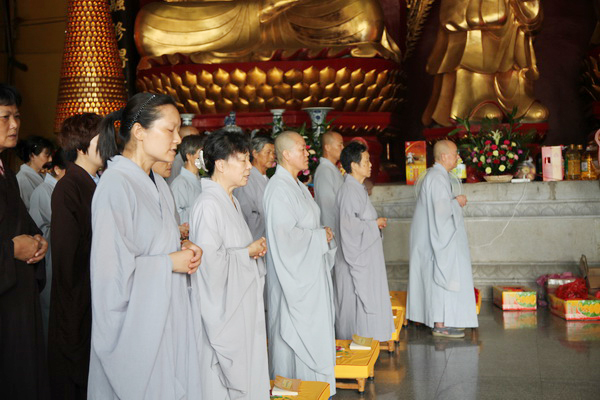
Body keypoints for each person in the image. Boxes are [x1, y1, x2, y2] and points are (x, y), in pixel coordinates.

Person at [88, 93, 203, 399]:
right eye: (170, 130)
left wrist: (183, 246)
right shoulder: (115, 186)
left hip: (168, 315)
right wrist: (169, 263)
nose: (178, 139)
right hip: (139, 330)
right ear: (139, 132)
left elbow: (153, 244)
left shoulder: (158, 183)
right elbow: (110, 277)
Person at [189, 129, 270, 399]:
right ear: (221, 164)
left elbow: (229, 252)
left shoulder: (230, 200)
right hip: (225, 312)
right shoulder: (208, 205)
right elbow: (209, 266)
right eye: (243, 161)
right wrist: (245, 252)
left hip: (242, 306)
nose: (250, 167)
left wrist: (248, 252)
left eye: (249, 160)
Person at [263, 131, 337, 394]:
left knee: (316, 332)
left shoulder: (299, 186)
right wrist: (318, 237)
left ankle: (318, 389)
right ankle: (299, 391)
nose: (308, 154)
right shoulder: (278, 189)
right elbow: (285, 240)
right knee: (293, 340)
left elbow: (305, 227)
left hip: (310, 275)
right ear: (286, 154)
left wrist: (321, 234)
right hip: (293, 280)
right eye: (302, 150)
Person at [47, 113, 103, 399]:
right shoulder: (69, 187)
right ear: (82, 146)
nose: (108, 144)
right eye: (101, 138)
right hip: (79, 295)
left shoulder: (99, 181)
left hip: (98, 292)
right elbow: (66, 256)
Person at [0, 83, 50, 399]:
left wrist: (37, 241)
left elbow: (21, 222)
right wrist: (10, 250)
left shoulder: (5, 169)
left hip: (18, 300)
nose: (15, 124)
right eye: (5, 117)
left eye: (16, 116)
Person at [407, 140, 478, 338]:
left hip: (430, 238)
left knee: (436, 277)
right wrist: (457, 202)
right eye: (455, 153)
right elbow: (441, 212)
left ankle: (442, 321)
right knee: (438, 276)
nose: (458, 157)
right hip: (433, 241)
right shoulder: (437, 178)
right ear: (444, 156)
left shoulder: (438, 176)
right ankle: (440, 324)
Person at [334, 141, 394, 342]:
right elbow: (349, 229)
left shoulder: (357, 188)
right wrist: (373, 225)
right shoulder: (349, 191)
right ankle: (358, 343)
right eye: (366, 161)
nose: (370, 165)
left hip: (366, 256)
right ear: (353, 165)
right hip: (356, 260)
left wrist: (373, 225)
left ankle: (366, 342)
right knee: (356, 304)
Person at [29, 148, 67, 340]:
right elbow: (39, 230)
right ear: (58, 169)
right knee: (48, 311)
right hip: (49, 256)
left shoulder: (61, 189)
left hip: (62, 257)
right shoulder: (43, 192)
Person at [233, 134, 275, 241]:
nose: (272, 157)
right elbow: (245, 213)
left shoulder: (269, 180)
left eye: (273, 153)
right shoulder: (247, 179)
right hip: (255, 237)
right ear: (255, 153)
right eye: (268, 152)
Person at [313, 131, 344, 239]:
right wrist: (332, 232)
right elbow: (327, 205)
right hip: (333, 231)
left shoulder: (332, 169)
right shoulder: (324, 171)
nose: (342, 148)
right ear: (328, 147)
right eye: (339, 144)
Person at [171, 135, 203, 224]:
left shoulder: (200, 180)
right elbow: (177, 216)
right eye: (200, 153)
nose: (204, 158)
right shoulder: (180, 183)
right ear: (189, 155)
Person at [16, 135, 53, 210]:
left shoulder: (42, 175)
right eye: (47, 155)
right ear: (32, 156)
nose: (50, 159)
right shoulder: (22, 179)